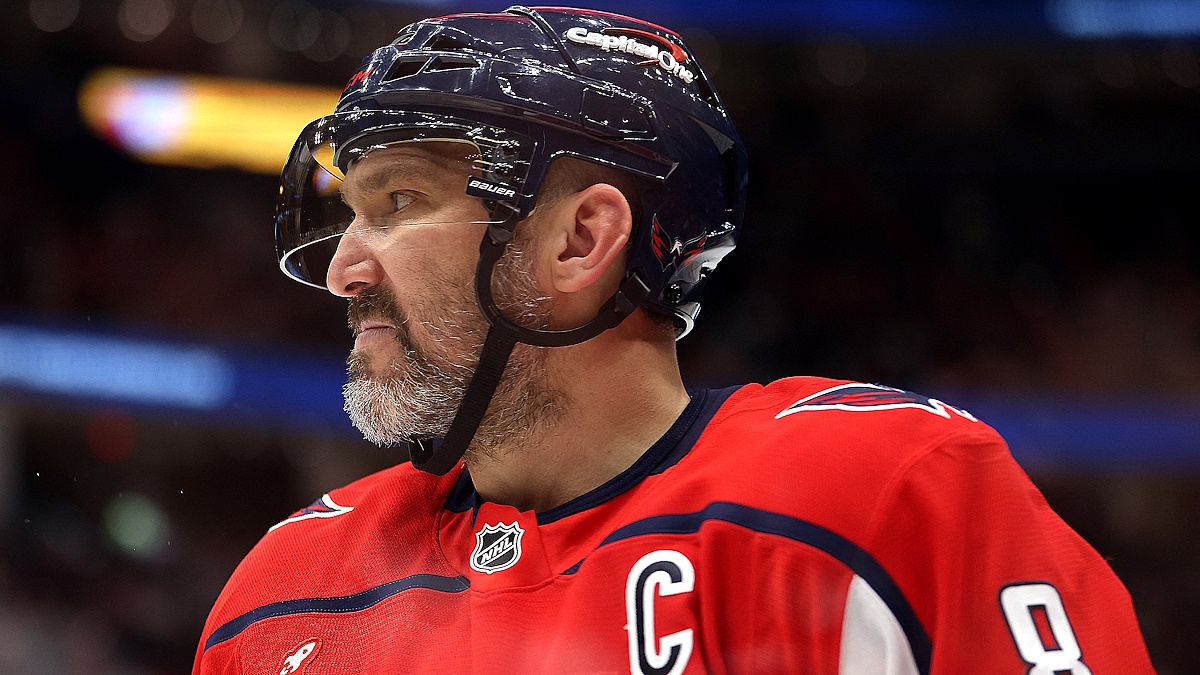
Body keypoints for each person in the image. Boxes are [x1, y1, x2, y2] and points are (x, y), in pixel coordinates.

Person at [194, 6, 1155, 674]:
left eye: (400, 201)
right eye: (351, 213)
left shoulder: (889, 498)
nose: (343, 268)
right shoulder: (285, 589)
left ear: (581, 240)